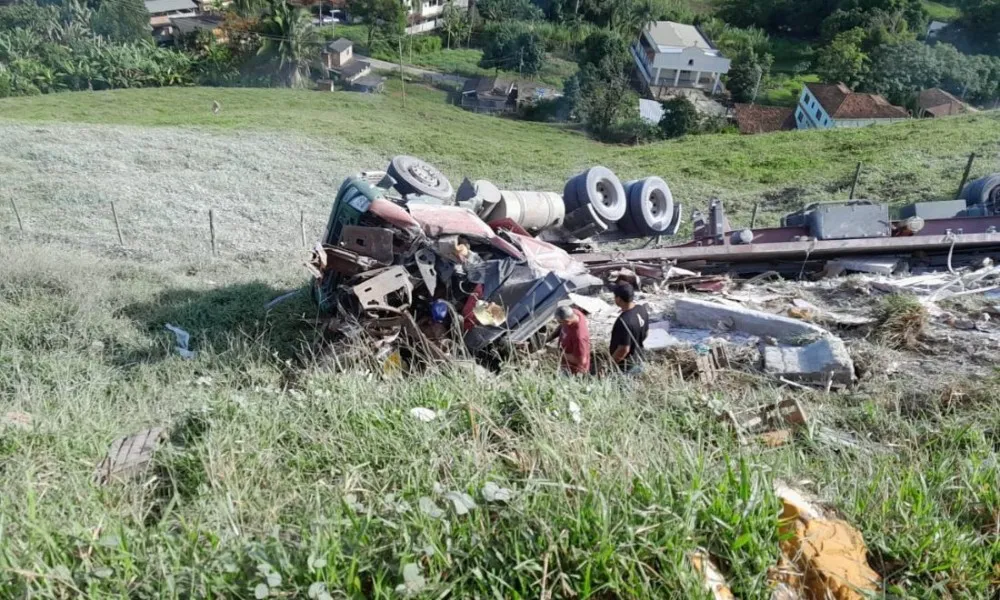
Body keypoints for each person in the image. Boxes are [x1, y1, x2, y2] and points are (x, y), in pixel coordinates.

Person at [609, 283, 648, 374]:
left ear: (618, 299)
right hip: (639, 359)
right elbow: (646, 333)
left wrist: (609, 365)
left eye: (615, 296)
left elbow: (623, 349)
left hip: (626, 366)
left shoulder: (624, 321)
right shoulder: (642, 310)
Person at [554, 305, 591, 376]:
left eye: (560, 322)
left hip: (574, 371)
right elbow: (561, 327)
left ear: (567, 321)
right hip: (565, 363)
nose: (558, 323)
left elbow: (582, 361)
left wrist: (561, 354)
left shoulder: (579, 337)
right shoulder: (574, 313)